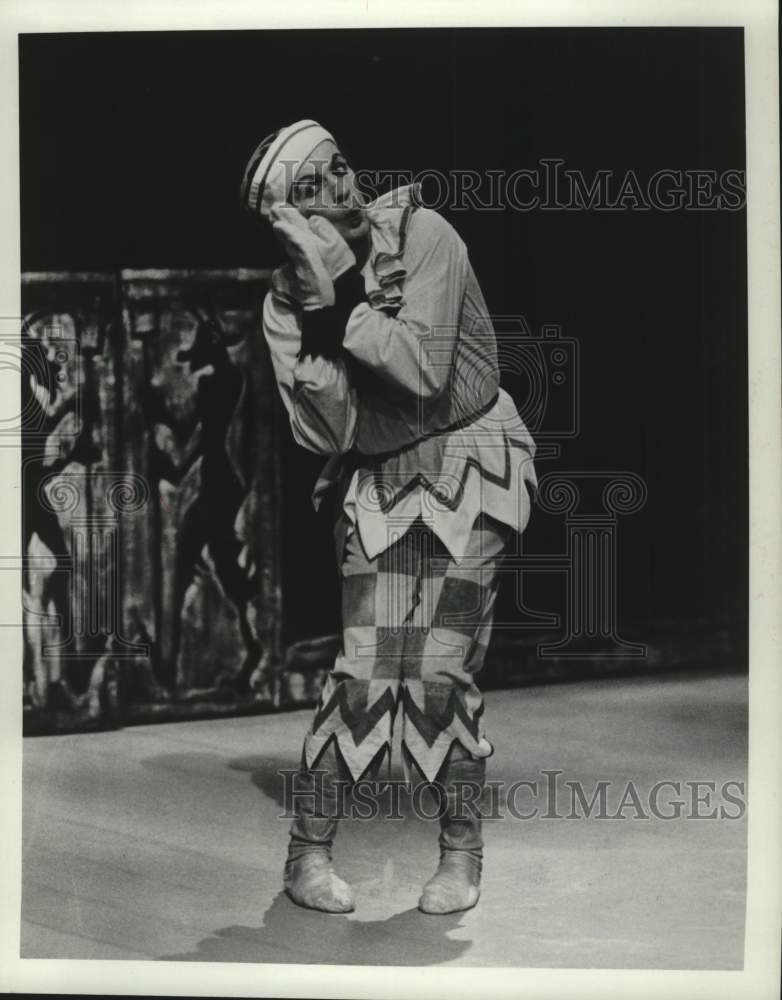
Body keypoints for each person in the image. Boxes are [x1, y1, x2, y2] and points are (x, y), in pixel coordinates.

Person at [240, 119, 537, 916]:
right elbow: (329, 431)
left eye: (337, 168)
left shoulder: (426, 236)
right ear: (284, 218)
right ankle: (308, 854)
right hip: (376, 483)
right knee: (366, 673)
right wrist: (321, 296)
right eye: (309, 189)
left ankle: (461, 853)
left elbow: (421, 369)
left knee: (440, 665)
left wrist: (343, 313)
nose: (339, 188)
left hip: (475, 467)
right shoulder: (282, 304)